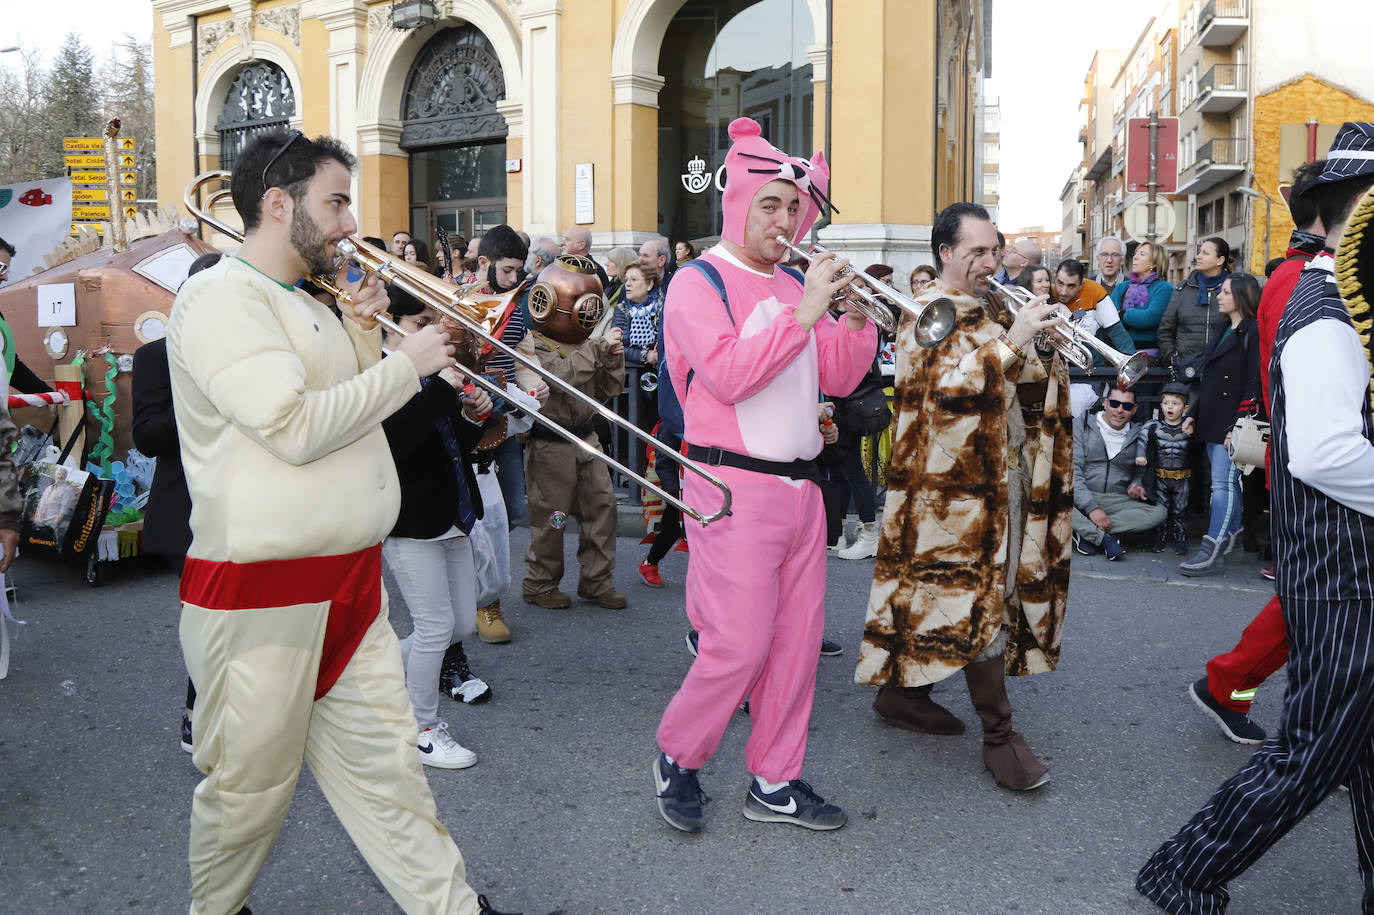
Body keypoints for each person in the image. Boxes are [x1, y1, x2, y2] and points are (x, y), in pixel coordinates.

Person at [166, 128, 528, 915]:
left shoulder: (314, 303)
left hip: (349, 586)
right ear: (276, 203)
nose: (347, 221)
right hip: (261, 596)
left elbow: (365, 416)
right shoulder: (221, 296)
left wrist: (369, 335)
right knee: (248, 795)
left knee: (390, 777)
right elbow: (293, 426)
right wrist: (406, 361)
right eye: (334, 201)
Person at [1136, 121, 1374, 915]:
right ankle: (1184, 872)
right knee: (1314, 751)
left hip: (1347, 560)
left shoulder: (1340, 299)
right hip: (1341, 568)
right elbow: (1327, 453)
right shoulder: (1326, 309)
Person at [654, 116, 875, 833]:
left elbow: (835, 376)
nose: (784, 220)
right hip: (730, 487)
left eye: (794, 207)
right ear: (739, 201)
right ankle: (678, 757)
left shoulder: (793, 281)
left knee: (795, 647)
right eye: (770, 204)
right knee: (738, 644)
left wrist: (852, 319)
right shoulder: (699, 280)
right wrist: (805, 310)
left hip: (802, 486)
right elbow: (728, 375)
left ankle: (775, 780)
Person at [854, 200, 1070, 792]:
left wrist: (1043, 347)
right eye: (976, 251)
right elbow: (939, 390)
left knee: (938, 590)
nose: (989, 261)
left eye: (993, 249)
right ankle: (1000, 735)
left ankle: (902, 694)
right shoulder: (928, 310)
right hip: (954, 488)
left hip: (1003, 468)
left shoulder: (996, 303)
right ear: (945, 254)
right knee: (982, 596)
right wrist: (1013, 343)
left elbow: (1019, 380)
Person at [1184, 158, 1332, 746]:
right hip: (1315, 466)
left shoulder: (1310, 272)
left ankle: (1236, 690)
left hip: (1313, 461)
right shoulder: (1303, 278)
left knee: (1320, 604)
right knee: (1318, 601)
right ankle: (1245, 695)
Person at [379, 290, 494, 770]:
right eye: (423, 319)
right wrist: (444, 390)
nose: (435, 328)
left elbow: (450, 443)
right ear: (393, 322)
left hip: (452, 511)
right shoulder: (379, 370)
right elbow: (395, 442)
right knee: (433, 627)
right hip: (411, 518)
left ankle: (366, 670)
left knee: (460, 624)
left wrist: (471, 415)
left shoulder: (427, 369)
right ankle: (420, 729)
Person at [133, 249, 222, 754]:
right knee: (210, 620)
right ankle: (196, 713)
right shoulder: (154, 356)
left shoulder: (256, 352)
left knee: (245, 619)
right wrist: (203, 400)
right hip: (186, 511)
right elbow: (146, 436)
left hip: (251, 505)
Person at [520, 263, 627, 611]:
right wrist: (596, 351)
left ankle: (597, 581)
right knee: (553, 517)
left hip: (587, 437)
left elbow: (609, 389)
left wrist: (612, 359)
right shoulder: (533, 343)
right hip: (551, 442)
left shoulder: (585, 343)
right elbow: (559, 377)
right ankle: (540, 582)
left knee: (603, 506)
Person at [1177, 274, 1260, 577]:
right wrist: (1193, 412)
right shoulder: (1224, 328)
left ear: (1241, 297)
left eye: (1225, 292)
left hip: (1231, 421)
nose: (1219, 296)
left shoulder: (1252, 331)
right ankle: (1232, 536)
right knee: (1226, 483)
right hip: (1212, 417)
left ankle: (1211, 550)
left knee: (1223, 485)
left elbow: (1254, 383)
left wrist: (1236, 426)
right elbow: (1208, 379)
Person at [1070, 386, 1165, 560]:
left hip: (1115, 499)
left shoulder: (1138, 435)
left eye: (1127, 406)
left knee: (1159, 512)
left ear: (1134, 409)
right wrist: (1092, 509)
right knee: (1053, 499)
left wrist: (1135, 485)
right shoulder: (1081, 425)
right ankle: (1103, 538)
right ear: (1105, 404)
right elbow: (1073, 473)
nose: (1120, 410)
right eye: (1114, 403)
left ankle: (1086, 531)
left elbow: (1138, 472)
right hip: (1081, 495)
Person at [611, 260, 663, 472]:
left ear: (649, 283)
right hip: (630, 382)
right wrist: (645, 355)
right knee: (632, 426)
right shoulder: (622, 309)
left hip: (661, 378)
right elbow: (617, 345)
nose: (628, 285)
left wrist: (658, 354)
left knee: (657, 424)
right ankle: (635, 471)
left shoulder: (664, 304)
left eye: (634, 280)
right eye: (626, 280)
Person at [1158, 236, 1232, 366]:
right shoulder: (1183, 289)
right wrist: (1172, 359)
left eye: (1205, 253)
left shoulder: (1234, 289)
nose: (1199, 256)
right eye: (1199, 252)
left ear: (1220, 260)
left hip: (1224, 368)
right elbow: (1165, 330)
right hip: (1186, 369)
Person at [1139, 382, 1193, 555]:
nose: (1170, 407)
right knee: (1160, 509)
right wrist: (1141, 455)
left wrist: (1193, 429)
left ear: (1185, 408)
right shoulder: (1153, 427)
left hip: (1182, 477)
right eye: (1166, 403)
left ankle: (1181, 539)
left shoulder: (1189, 428)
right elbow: (1142, 441)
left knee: (1180, 510)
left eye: (1175, 403)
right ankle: (1158, 539)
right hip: (1160, 477)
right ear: (1161, 405)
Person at [1110, 240, 1174, 353]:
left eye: (1142, 254)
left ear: (1154, 263)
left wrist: (1123, 314)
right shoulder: (1122, 287)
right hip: (1118, 350)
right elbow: (1110, 318)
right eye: (1136, 253)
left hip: (1149, 352)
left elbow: (1149, 318)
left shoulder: (1164, 288)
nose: (1135, 257)